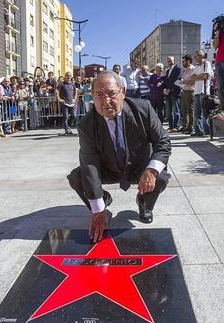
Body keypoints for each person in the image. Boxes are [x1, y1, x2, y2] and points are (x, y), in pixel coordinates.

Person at [67, 71, 171, 242]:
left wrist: (152, 170)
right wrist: (98, 210)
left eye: (111, 94)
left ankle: (144, 203)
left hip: (139, 167)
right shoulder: (87, 124)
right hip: (107, 168)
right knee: (77, 177)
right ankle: (104, 201)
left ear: (122, 92)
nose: (105, 101)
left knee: (161, 177)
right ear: (91, 97)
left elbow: (163, 142)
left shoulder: (143, 109)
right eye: (99, 95)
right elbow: (90, 164)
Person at [191, 50, 213, 136]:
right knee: (197, 113)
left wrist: (197, 77)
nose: (196, 58)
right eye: (195, 56)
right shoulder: (196, 66)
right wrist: (199, 77)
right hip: (196, 91)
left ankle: (207, 131)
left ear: (201, 56)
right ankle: (198, 131)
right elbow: (192, 78)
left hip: (204, 91)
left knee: (205, 112)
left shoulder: (206, 64)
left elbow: (206, 76)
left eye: (197, 56)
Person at [163, 56, 181, 131]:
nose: (169, 62)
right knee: (169, 110)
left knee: (176, 110)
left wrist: (170, 89)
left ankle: (176, 126)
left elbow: (177, 80)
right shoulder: (167, 71)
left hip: (175, 92)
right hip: (168, 93)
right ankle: (171, 126)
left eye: (170, 60)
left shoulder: (178, 69)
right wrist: (165, 89)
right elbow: (166, 82)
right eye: (168, 61)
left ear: (174, 61)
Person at [179, 54, 195, 134]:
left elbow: (194, 81)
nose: (183, 63)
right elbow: (184, 79)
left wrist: (185, 82)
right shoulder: (184, 69)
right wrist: (182, 81)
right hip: (184, 90)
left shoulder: (193, 69)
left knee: (190, 110)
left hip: (190, 91)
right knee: (183, 110)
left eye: (184, 61)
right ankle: (185, 126)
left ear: (188, 61)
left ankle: (191, 127)